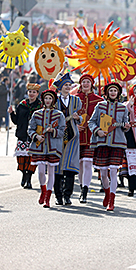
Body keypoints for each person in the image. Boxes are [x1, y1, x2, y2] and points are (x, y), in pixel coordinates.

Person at [88, 82, 130, 211]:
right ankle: (107, 193)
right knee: (103, 173)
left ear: (118, 93)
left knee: (113, 171)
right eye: (110, 90)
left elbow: (126, 125)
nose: (113, 92)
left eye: (115, 90)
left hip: (117, 143)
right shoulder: (100, 106)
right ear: (106, 93)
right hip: (102, 142)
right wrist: (97, 130)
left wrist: (126, 126)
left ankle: (112, 200)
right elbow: (91, 121)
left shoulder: (123, 108)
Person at [27, 90, 66, 208]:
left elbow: (62, 131)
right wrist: (37, 136)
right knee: (40, 171)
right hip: (39, 147)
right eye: (46, 98)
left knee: (51, 171)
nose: (48, 101)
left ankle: (48, 198)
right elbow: (30, 129)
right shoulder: (36, 114)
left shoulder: (59, 114)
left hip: (53, 147)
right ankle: (43, 190)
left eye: (50, 98)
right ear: (43, 100)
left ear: (53, 100)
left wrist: (52, 131)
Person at [53, 71, 82, 206]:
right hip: (57, 136)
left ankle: (67, 195)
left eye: (69, 85)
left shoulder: (76, 100)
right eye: (65, 85)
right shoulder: (54, 100)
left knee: (70, 166)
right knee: (57, 166)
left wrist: (78, 118)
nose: (68, 87)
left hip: (72, 136)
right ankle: (58, 196)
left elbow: (80, 118)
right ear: (60, 87)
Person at [8, 83, 42, 188]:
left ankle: (29, 179)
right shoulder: (22, 105)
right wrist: (11, 113)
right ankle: (23, 175)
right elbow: (16, 121)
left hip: (34, 136)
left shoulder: (40, 106)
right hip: (22, 135)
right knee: (21, 158)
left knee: (31, 159)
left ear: (37, 93)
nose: (31, 94)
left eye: (34, 92)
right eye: (30, 92)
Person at [76, 74, 103, 203]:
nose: (85, 84)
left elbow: (102, 118)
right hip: (77, 136)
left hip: (91, 137)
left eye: (88, 82)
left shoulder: (98, 100)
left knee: (87, 163)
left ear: (92, 84)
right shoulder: (75, 99)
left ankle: (85, 191)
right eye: (83, 82)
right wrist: (75, 126)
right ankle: (82, 187)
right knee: (80, 165)